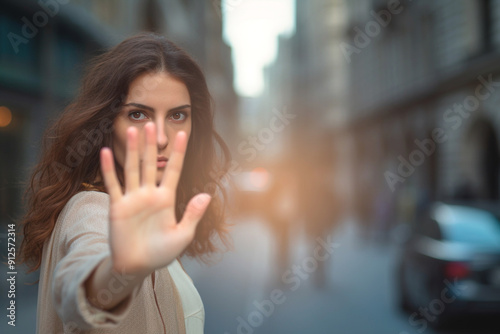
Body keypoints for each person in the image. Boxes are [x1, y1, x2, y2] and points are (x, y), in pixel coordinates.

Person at [19, 32, 231, 334]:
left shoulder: (147, 216)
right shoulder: (90, 208)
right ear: (105, 124)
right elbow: (82, 283)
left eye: (177, 116)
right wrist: (121, 270)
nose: (160, 138)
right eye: (138, 114)